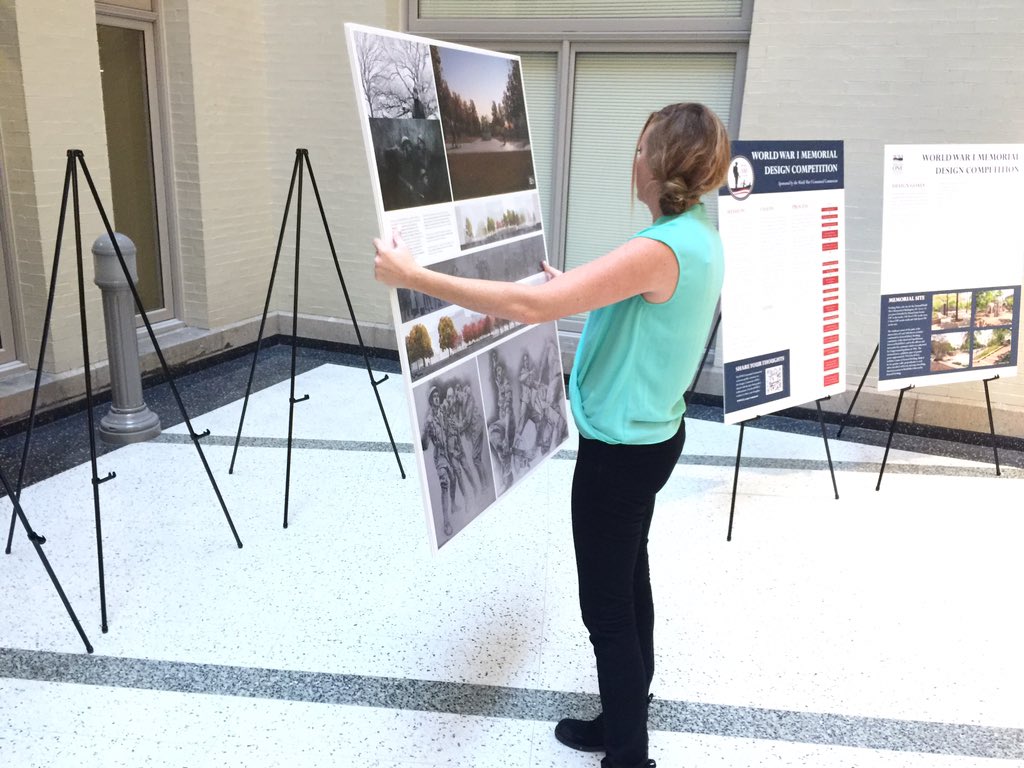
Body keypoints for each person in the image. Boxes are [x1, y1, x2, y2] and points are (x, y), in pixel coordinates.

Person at [374, 102, 730, 768]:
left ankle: (629, 756)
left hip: (620, 454)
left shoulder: (660, 247)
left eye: (640, 146)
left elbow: (535, 307)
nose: (633, 157)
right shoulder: (696, 235)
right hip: (653, 438)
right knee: (630, 581)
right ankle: (623, 721)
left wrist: (414, 277)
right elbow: (640, 304)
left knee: (607, 610)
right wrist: (573, 286)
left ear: (657, 164)